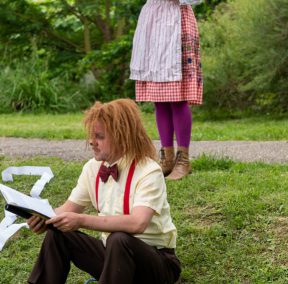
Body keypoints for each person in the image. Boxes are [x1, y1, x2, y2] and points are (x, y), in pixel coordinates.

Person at [27, 98, 181, 284]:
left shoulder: (149, 171)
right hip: (113, 258)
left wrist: (82, 220)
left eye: (100, 136)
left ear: (122, 136)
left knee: (119, 240)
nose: (92, 142)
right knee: (58, 235)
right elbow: (67, 209)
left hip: (157, 264)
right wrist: (44, 219)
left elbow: (137, 223)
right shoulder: (92, 168)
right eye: (91, 136)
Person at [130, 0, 203, 180]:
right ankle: (167, 159)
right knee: (160, 98)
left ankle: (183, 161)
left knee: (177, 97)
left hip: (176, 19)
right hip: (153, 21)